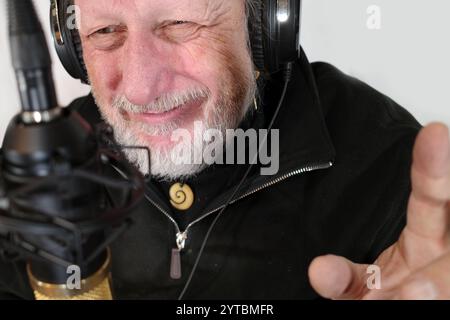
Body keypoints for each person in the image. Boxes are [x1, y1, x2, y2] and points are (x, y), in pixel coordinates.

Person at [0, 0, 449, 300]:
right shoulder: (44, 161)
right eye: (105, 31)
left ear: (264, 22)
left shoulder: (392, 168)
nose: (139, 88)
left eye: (179, 23)